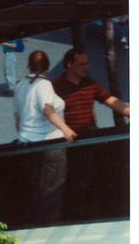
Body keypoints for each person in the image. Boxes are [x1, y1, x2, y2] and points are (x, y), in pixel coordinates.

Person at [53, 49, 131, 220]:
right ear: (69, 65)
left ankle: (80, 215)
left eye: (87, 63)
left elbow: (111, 101)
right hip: (62, 144)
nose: (86, 67)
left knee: (84, 181)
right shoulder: (55, 86)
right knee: (63, 184)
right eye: (82, 64)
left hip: (84, 143)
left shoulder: (90, 85)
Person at [13, 50, 75, 224]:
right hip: (49, 146)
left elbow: (18, 119)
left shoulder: (20, 86)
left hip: (26, 145)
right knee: (51, 193)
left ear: (29, 65)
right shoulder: (44, 85)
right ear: (47, 66)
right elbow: (47, 109)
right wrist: (66, 129)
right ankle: (49, 228)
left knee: (34, 192)